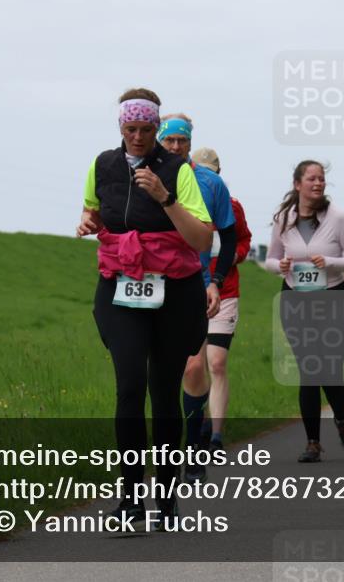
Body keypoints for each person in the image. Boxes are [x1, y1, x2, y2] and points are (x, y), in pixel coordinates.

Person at [78, 87, 213, 527]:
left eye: (146, 129)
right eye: (130, 128)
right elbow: (94, 211)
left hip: (174, 291)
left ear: (157, 128)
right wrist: (87, 222)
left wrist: (164, 197)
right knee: (130, 387)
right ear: (120, 126)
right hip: (120, 287)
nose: (138, 137)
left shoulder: (178, 171)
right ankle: (131, 499)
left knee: (163, 392)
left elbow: (202, 240)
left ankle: (168, 498)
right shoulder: (103, 165)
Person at [264, 160, 344, 462]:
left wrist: (331, 262)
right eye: (312, 179)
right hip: (295, 298)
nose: (318, 183)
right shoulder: (284, 218)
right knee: (309, 371)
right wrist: (279, 267)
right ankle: (312, 443)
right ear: (298, 184)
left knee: (330, 370)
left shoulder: (338, 218)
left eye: (322, 179)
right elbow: (271, 259)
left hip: (331, 297)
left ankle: (341, 419)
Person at [157, 116, 238, 484]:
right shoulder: (143, 176)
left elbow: (230, 237)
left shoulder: (209, 182)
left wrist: (217, 280)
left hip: (195, 283)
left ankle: (193, 447)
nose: (175, 147)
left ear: (190, 144)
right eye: (169, 140)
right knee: (157, 375)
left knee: (193, 368)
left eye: (181, 141)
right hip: (150, 286)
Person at [191, 147, 252, 457]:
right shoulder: (184, 203)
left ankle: (215, 434)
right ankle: (196, 425)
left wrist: (233, 258)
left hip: (224, 290)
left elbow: (242, 239)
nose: (206, 179)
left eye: (211, 174)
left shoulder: (231, 205)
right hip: (189, 291)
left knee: (216, 362)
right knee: (194, 364)